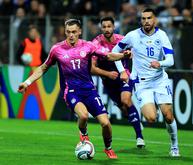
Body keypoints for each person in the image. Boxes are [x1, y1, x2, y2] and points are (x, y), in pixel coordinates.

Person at [17, 19, 130, 159]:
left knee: (106, 123)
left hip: (89, 90)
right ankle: (84, 134)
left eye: (74, 32)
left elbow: (108, 55)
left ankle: (108, 148)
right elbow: (43, 68)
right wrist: (27, 83)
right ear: (65, 32)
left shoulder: (88, 46)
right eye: (68, 32)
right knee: (83, 115)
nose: (71, 35)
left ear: (80, 32)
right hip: (70, 91)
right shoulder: (57, 49)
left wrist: (122, 55)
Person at [112, 8, 180, 157]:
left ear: (154, 19)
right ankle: (152, 107)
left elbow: (171, 60)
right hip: (143, 84)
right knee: (150, 118)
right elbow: (115, 52)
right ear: (140, 20)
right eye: (143, 18)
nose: (146, 21)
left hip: (160, 80)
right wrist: (122, 71)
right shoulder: (132, 36)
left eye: (149, 18)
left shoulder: (162, 35)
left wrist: (160, 63)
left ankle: (174, 146)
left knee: (168, 116)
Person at [91, 16, 145, 148]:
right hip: (109, 82)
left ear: (114, 27)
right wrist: (107, 74)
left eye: (109, 26)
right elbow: (91, 68)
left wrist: (130, 54)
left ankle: (139, 137)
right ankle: (134, 119)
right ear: (101, 28)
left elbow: (135, 52)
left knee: (126, 100)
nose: (106, 29)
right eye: (104, 27)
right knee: (124, 108)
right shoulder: (96, 43)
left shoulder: (122, 40)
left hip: (124, 76)